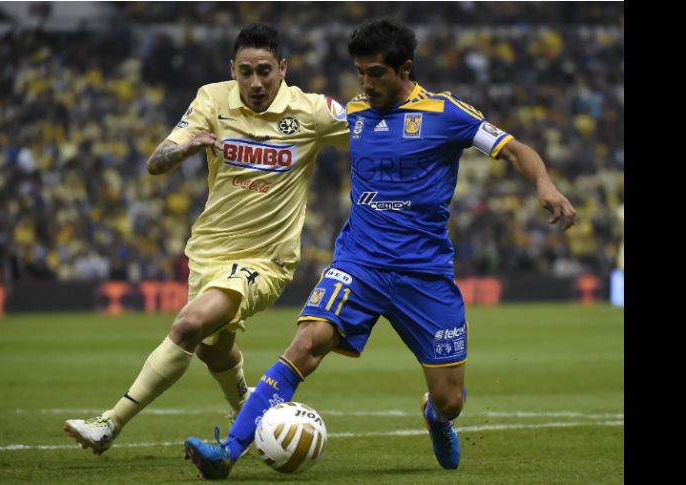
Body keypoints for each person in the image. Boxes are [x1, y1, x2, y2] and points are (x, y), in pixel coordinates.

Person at [183, 17, 576, 478]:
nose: (365, 84)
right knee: (306, 344)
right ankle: (228, 451)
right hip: (360, 263)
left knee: (450, 399)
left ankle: (435, 417)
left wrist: (545, 185)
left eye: (375, 74)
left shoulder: (447, 113)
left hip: (423, 274)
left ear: (404, 69)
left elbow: (514, 149)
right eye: (360, 73)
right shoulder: (354, 113)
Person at [63, 23, 349, 455]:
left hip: (266, 261)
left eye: (265, 71)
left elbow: (373, 130)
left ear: (283, 69)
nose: (255, 83)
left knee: (189, 325)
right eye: (246, 71)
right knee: (215, 353)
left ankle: (109, 423)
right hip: (209, 252)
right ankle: (249, 419)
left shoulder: (312, 111)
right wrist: (186, 148)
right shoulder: (211, 100)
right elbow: (156, 164)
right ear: (232, 69)